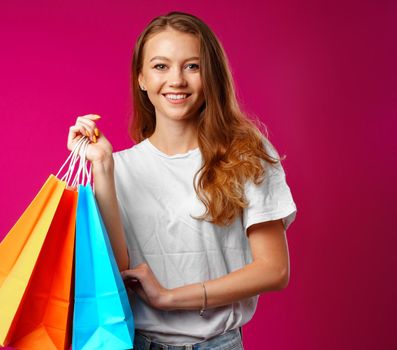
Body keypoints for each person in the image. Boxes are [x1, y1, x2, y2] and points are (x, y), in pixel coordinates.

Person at [67, 11, 296, 350]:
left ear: (211, 75)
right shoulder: (119, 168)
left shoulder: (245, 154)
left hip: (219, 343)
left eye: (192, 66)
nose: (176, 80)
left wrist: (171, 298)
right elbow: (116, 274)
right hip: (139, 343)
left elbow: (274, 270)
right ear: (141, 78)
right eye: (161, 66)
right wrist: (101, 166)